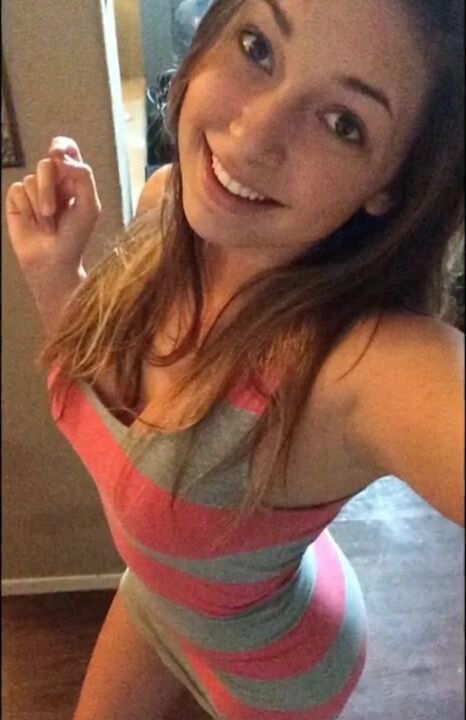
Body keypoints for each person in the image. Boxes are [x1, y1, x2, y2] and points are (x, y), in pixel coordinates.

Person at [5, 0, 464, 718]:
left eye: (343, 122)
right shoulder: (165, 207)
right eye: (257, 47)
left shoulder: (361, 366)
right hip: (159, 598)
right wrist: (57, 276)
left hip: (277, 672)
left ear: (391, 184)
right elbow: (114, 420)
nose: (252, 137)